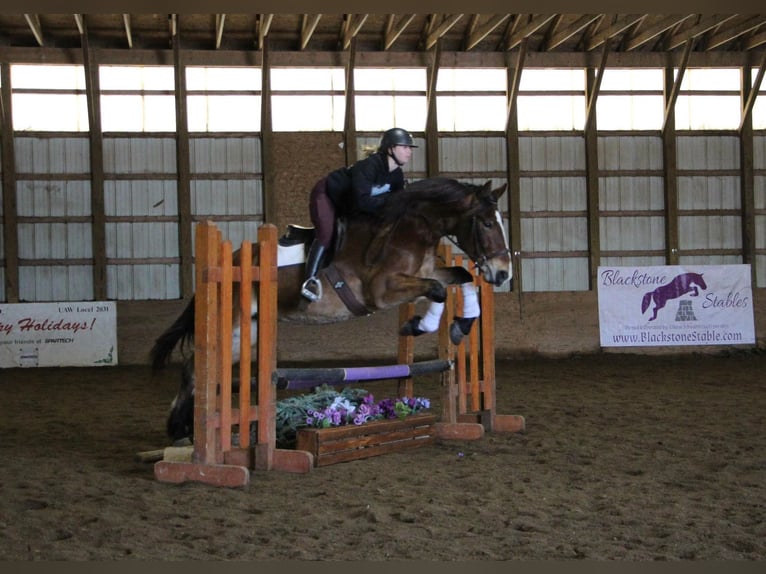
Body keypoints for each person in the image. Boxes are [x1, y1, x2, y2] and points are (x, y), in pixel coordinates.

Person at [301, 127, 418, 301]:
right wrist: (390, 203)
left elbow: (397, 205)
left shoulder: (397, 176)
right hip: (326, 195)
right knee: (326, 233)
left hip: (351, 203)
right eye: (405, 147)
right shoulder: (369, 166)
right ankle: (309, 280)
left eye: (410, 148)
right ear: (391, 148)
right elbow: (362, 202)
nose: (409, 152)